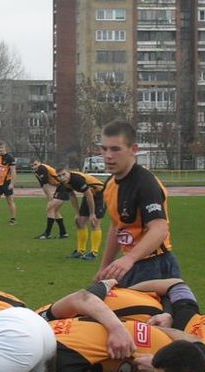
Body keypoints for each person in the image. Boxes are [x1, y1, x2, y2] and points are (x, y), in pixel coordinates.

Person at [95, 120, 180, 286]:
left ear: (133, 149)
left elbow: (160, 229)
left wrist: (130, 258)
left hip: (156, 265)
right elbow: (117, 228)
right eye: (104, 149)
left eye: (115, 149)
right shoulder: (111, 184)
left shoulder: (145, 183)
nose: (108, 156)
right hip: (130, 264)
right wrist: (105, 267)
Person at [57, 167, 105, 260]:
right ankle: (80, 251)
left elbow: (89, 195)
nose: (62, 177)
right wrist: (77, 213)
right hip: (89, 195)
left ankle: (94, 252)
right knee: (80, 222)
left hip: (100, 194)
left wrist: (92, 214)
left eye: (63, 174)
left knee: (94, 223)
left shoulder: (77, 179)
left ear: (69, 173)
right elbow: (72, 196)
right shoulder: (65, 183)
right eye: (59, 176)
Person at [31, 159, 68, 239]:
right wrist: (49, 198)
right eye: (32, 165)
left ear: (39, 163)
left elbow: (45, 183)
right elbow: (43, 185)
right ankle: (63, 233)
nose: (34, 167)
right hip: (60, 187)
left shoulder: (42, 168)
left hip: (64, 186)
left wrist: (50, 199)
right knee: (54, 210)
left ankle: (47, 234)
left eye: (35, 164)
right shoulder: (37, 171)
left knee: (50, 208)